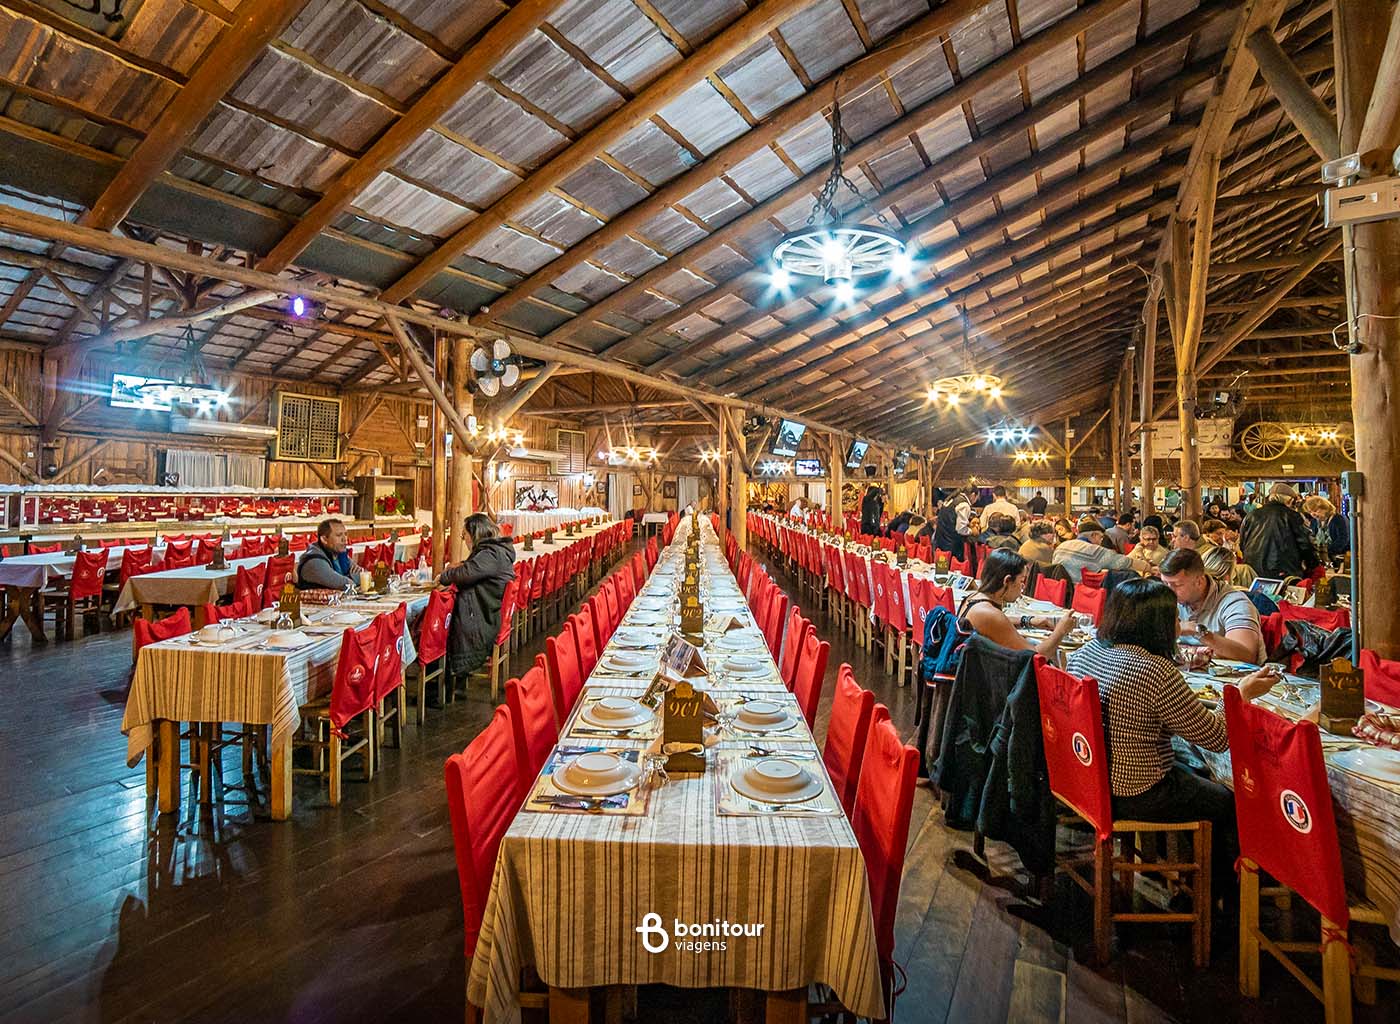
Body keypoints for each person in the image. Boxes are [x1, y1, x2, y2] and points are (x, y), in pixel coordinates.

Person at [1066, 578, 1280, 900]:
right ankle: (1212, 901)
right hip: (1137, 790)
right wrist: (1240, 694)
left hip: (1087, 779)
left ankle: (1184, 874)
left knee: (1194, 771)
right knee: (1230, 802)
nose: (1179, 624)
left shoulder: (1087, 652)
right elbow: (1217, 737)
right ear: (1159, 624)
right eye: (1175, 618)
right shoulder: (1152, 670)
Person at [439, 513, 517, 679]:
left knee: (439, 630)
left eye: (464, 535)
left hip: (485, 621)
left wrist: (444, 575)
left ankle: (438, 687)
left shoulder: (490, 554)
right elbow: (471, 569)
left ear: (474, 534)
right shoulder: (496, 550)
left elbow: (465, 574)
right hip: (489, 612)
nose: (463, 540)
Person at [958, 549, 1076, 657]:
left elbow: (1000, 622)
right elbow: (1035, 657)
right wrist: (1061, 631)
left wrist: (1027, 620)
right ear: (1007, 581)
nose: (1023, 587)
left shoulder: (973, 598)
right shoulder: (988, 614)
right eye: (1021, 581)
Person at [1159, 548, 1267, 664]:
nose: (1169, 590)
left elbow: (1246, 655)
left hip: (1230, 678)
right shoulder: (1168, 597)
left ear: (1199, 581)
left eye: (1177, 585)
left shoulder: (1235, 603)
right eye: (1165, 583)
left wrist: (1196, 631)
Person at [1239, 482, 1320, 579]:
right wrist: (1312, 565)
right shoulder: (1292, 516)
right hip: (1284, 571)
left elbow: (1243, 543)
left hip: (1253, 571)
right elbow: (1305, 544)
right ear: (1289, 500)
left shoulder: (1251, 516)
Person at [1052, 517, 1150, 582]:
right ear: (1093, 535)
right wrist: (1148, 568)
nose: (1101, 541)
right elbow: (1124, 562)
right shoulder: (1093, 550)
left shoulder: (1061, 546)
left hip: (1060, 591)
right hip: (1080, 592)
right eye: (1101, 537)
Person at [296, 518, 362, 590]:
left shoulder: (339, 554)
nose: (345, 539)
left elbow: (365, 576)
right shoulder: (314, 562)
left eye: (345, 534)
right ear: (324, 539)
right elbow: (347, 585)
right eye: (339, 535)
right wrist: (353, 577)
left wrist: (355, 577)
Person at [1302, 496, 1350, 563]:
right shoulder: (1314, 522)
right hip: (1321, 558)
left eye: (1315, 510)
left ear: (1325, 508)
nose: (1313, 514)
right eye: (1310, 512)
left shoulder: (1339, 519)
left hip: (1339, 558)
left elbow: (1343, 540)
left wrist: (1327, 551)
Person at [933, 490, 972, 559]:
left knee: (942, 566)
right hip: (952, 545)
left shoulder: (951, 499)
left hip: (941, 541)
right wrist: (971, 531)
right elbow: (960, 529)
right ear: (973, 495)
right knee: (952, 568)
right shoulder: (964, 504)